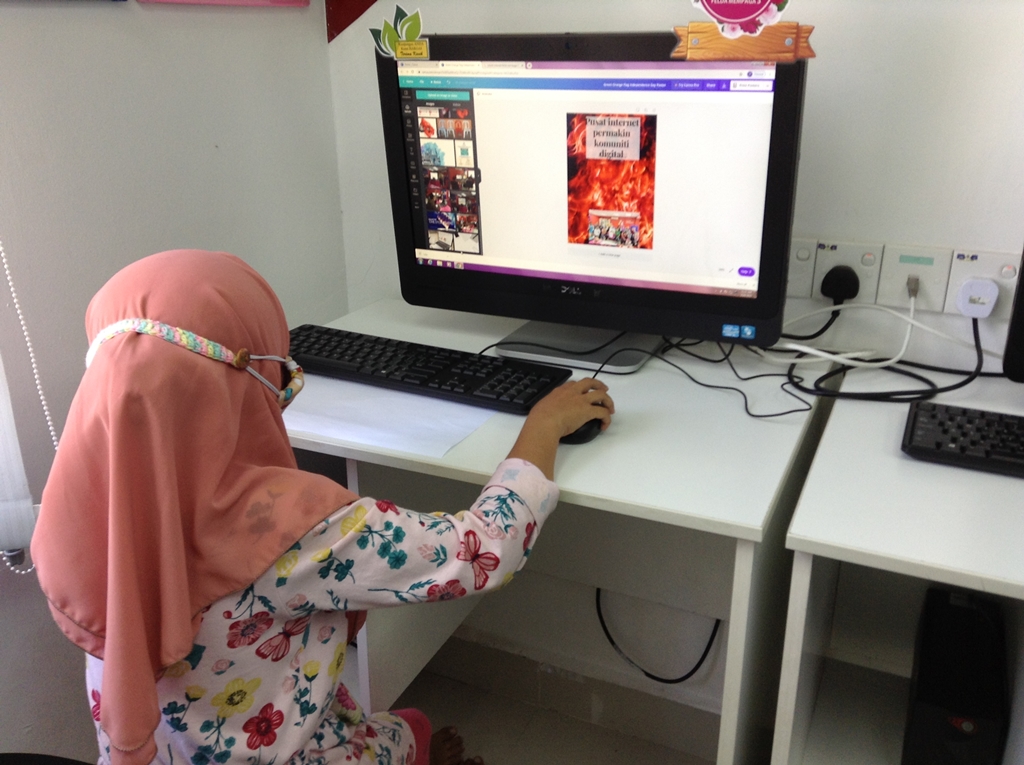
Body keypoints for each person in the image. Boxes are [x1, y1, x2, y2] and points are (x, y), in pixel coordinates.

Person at [31, 250, 614, 765]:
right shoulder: (299, 531)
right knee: (410, 729)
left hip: (160, 751)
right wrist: (544, 423)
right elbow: (483, 550)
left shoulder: (81, 521)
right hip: (285, 751)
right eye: (279, 371)